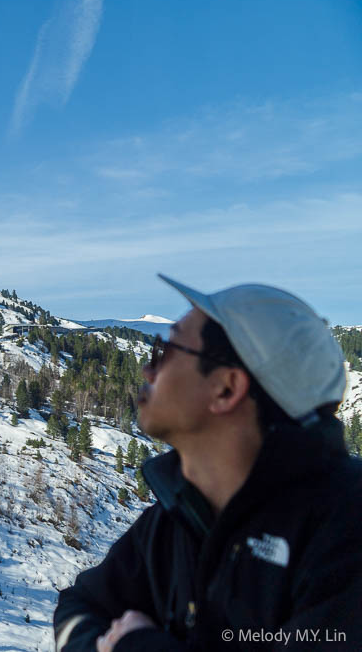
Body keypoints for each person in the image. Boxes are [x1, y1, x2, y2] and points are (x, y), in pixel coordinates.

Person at [54, 274, 362, 651]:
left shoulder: (346, 530)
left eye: (163, 352)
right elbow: (80, 606)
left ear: (226, 388)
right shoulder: (177, 517)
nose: (147, 370)